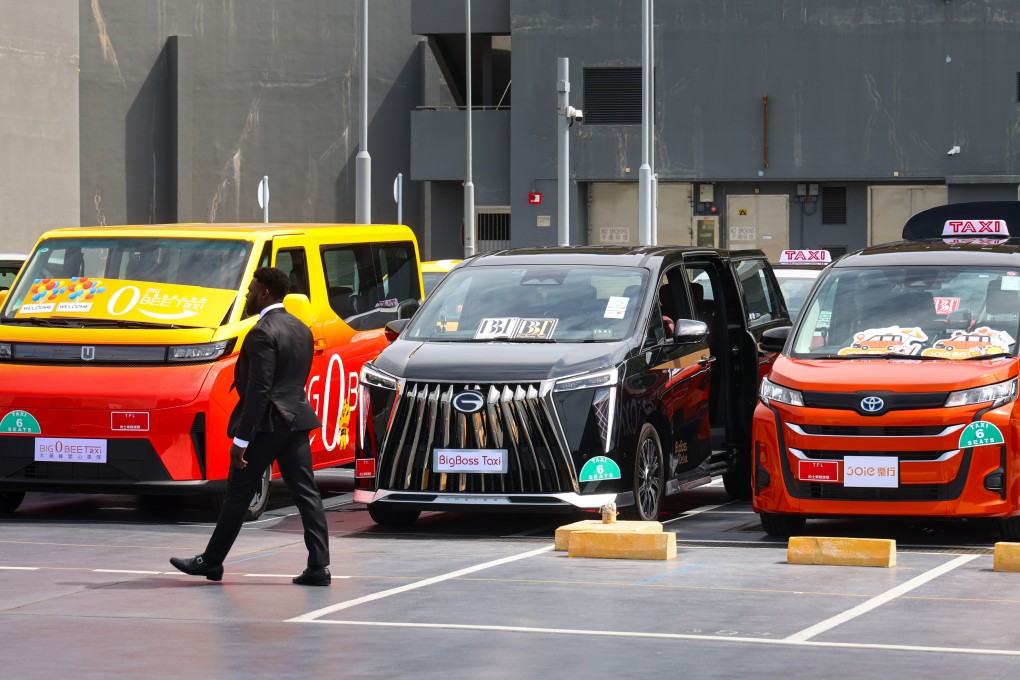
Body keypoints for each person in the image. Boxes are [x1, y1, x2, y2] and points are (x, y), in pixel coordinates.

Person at [170, 267, 331, 585]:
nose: (247, 295)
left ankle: (212, 561)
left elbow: (259, 391)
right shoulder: (301, 329)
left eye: (251, 290)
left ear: (265, 293)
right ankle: (319, 567)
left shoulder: (261, 332)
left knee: (238, 493)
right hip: (296, 420)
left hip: (268, 425)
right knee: (306, 494)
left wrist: (241, 441)